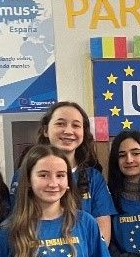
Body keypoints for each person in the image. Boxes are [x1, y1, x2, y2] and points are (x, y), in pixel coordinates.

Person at [13, 101, 116, 244]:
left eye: (76, 125)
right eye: (60, 124)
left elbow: (102, 236)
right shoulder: (23, 174)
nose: (68, 131)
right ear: (45, 130)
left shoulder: (94, 177)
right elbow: (17, 222)